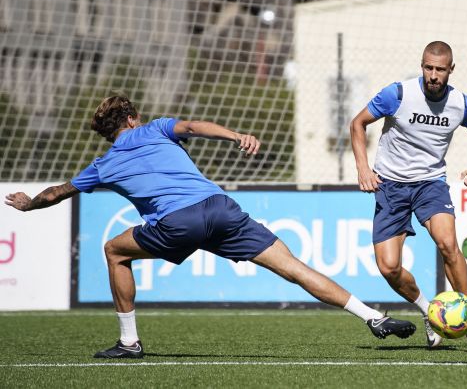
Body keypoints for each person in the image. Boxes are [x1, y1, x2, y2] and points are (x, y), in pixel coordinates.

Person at [4, 95, 417, 359]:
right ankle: (372, 316)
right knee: (294, 268)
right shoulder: (156, 128)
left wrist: (27, 204)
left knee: (114, 249)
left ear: (110, 131)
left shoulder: (103, 164)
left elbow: (58, 192)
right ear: (132, 117)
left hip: (177, 223)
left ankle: (129, 342)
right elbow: (194, 127)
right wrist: (236, 135)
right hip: (220, 208)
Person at [350, 41, 467, 348]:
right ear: (421, 66)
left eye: (440, 69)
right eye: (428, 67)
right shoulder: (397, 94)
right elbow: (357, 123)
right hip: (390, 186)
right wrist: (363, 168)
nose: (434, 75)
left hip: (430, 184)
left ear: (451, 70)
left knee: (448, 243)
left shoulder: (461, 104)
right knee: (388, 267)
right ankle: (429, 312)